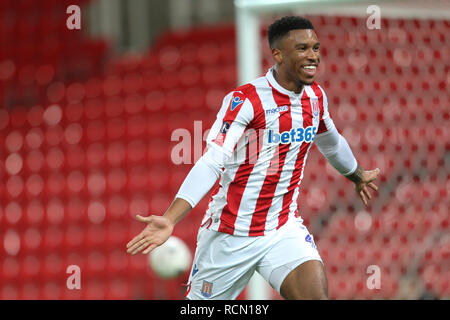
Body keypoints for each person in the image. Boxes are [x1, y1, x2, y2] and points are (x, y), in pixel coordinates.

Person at [126, 16, 380, 300]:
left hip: (282, 227)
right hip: (230, 234)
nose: (313, 56)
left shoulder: (316, 98)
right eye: (302, 49)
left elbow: (331, 142)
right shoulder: (246, 100)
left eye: (315, 47)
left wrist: (356, 174)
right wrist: (171, 219)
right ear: (278, 54)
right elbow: (212, 161)